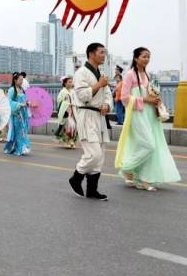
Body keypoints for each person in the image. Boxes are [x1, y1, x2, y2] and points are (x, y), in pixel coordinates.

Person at [115, 47, 181, 191]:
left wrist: (156, 100)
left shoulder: (148, 75)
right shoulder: (130, 75)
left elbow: (152, 93)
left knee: (152, 145)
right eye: (144, 56)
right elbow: (124, 98)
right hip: (137, 115)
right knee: (148, 145)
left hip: (150, 114)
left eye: (148, 57)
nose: (147, 59)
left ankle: (145, 179)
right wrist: (145, 99)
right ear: (136, 58)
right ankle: (127, 168)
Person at [68, 43, 112, 201]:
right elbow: (82, 96)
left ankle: (92, 189)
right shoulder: (81, 73)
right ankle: (76, 177)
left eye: (104, 52)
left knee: (100, 156)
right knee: (93, 154)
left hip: (99, 116)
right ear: (91, 54)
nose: (103, 55)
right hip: (86, 115)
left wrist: (107, 105)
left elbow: (108, 93)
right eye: (101, 52)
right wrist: (99, 84)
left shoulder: (101, 72)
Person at [3, 72, 33, 156]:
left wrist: (27, 103)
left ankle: (19, 147)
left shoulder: (22, 89)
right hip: (16, 114)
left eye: (22, 80)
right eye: (20, 80)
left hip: (23, 114)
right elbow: (9, 101)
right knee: (17, 131)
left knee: (22, 130)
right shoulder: (12, 90)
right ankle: (19, 148)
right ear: (15, 80)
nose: (21, 81)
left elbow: (24, 100)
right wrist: (19, 104)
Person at [55, 77, 77, 148]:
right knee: (68, 126)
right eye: (69, 82)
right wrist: (66, 103)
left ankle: (71, 140)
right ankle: (67, 141)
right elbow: (59, 101)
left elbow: (75, 100)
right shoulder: (62, 92)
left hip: (72, 111)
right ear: (65, 83)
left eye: (71, 82)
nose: (71, 83)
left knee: (73, 126)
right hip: (66, 112)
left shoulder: (73, 91)